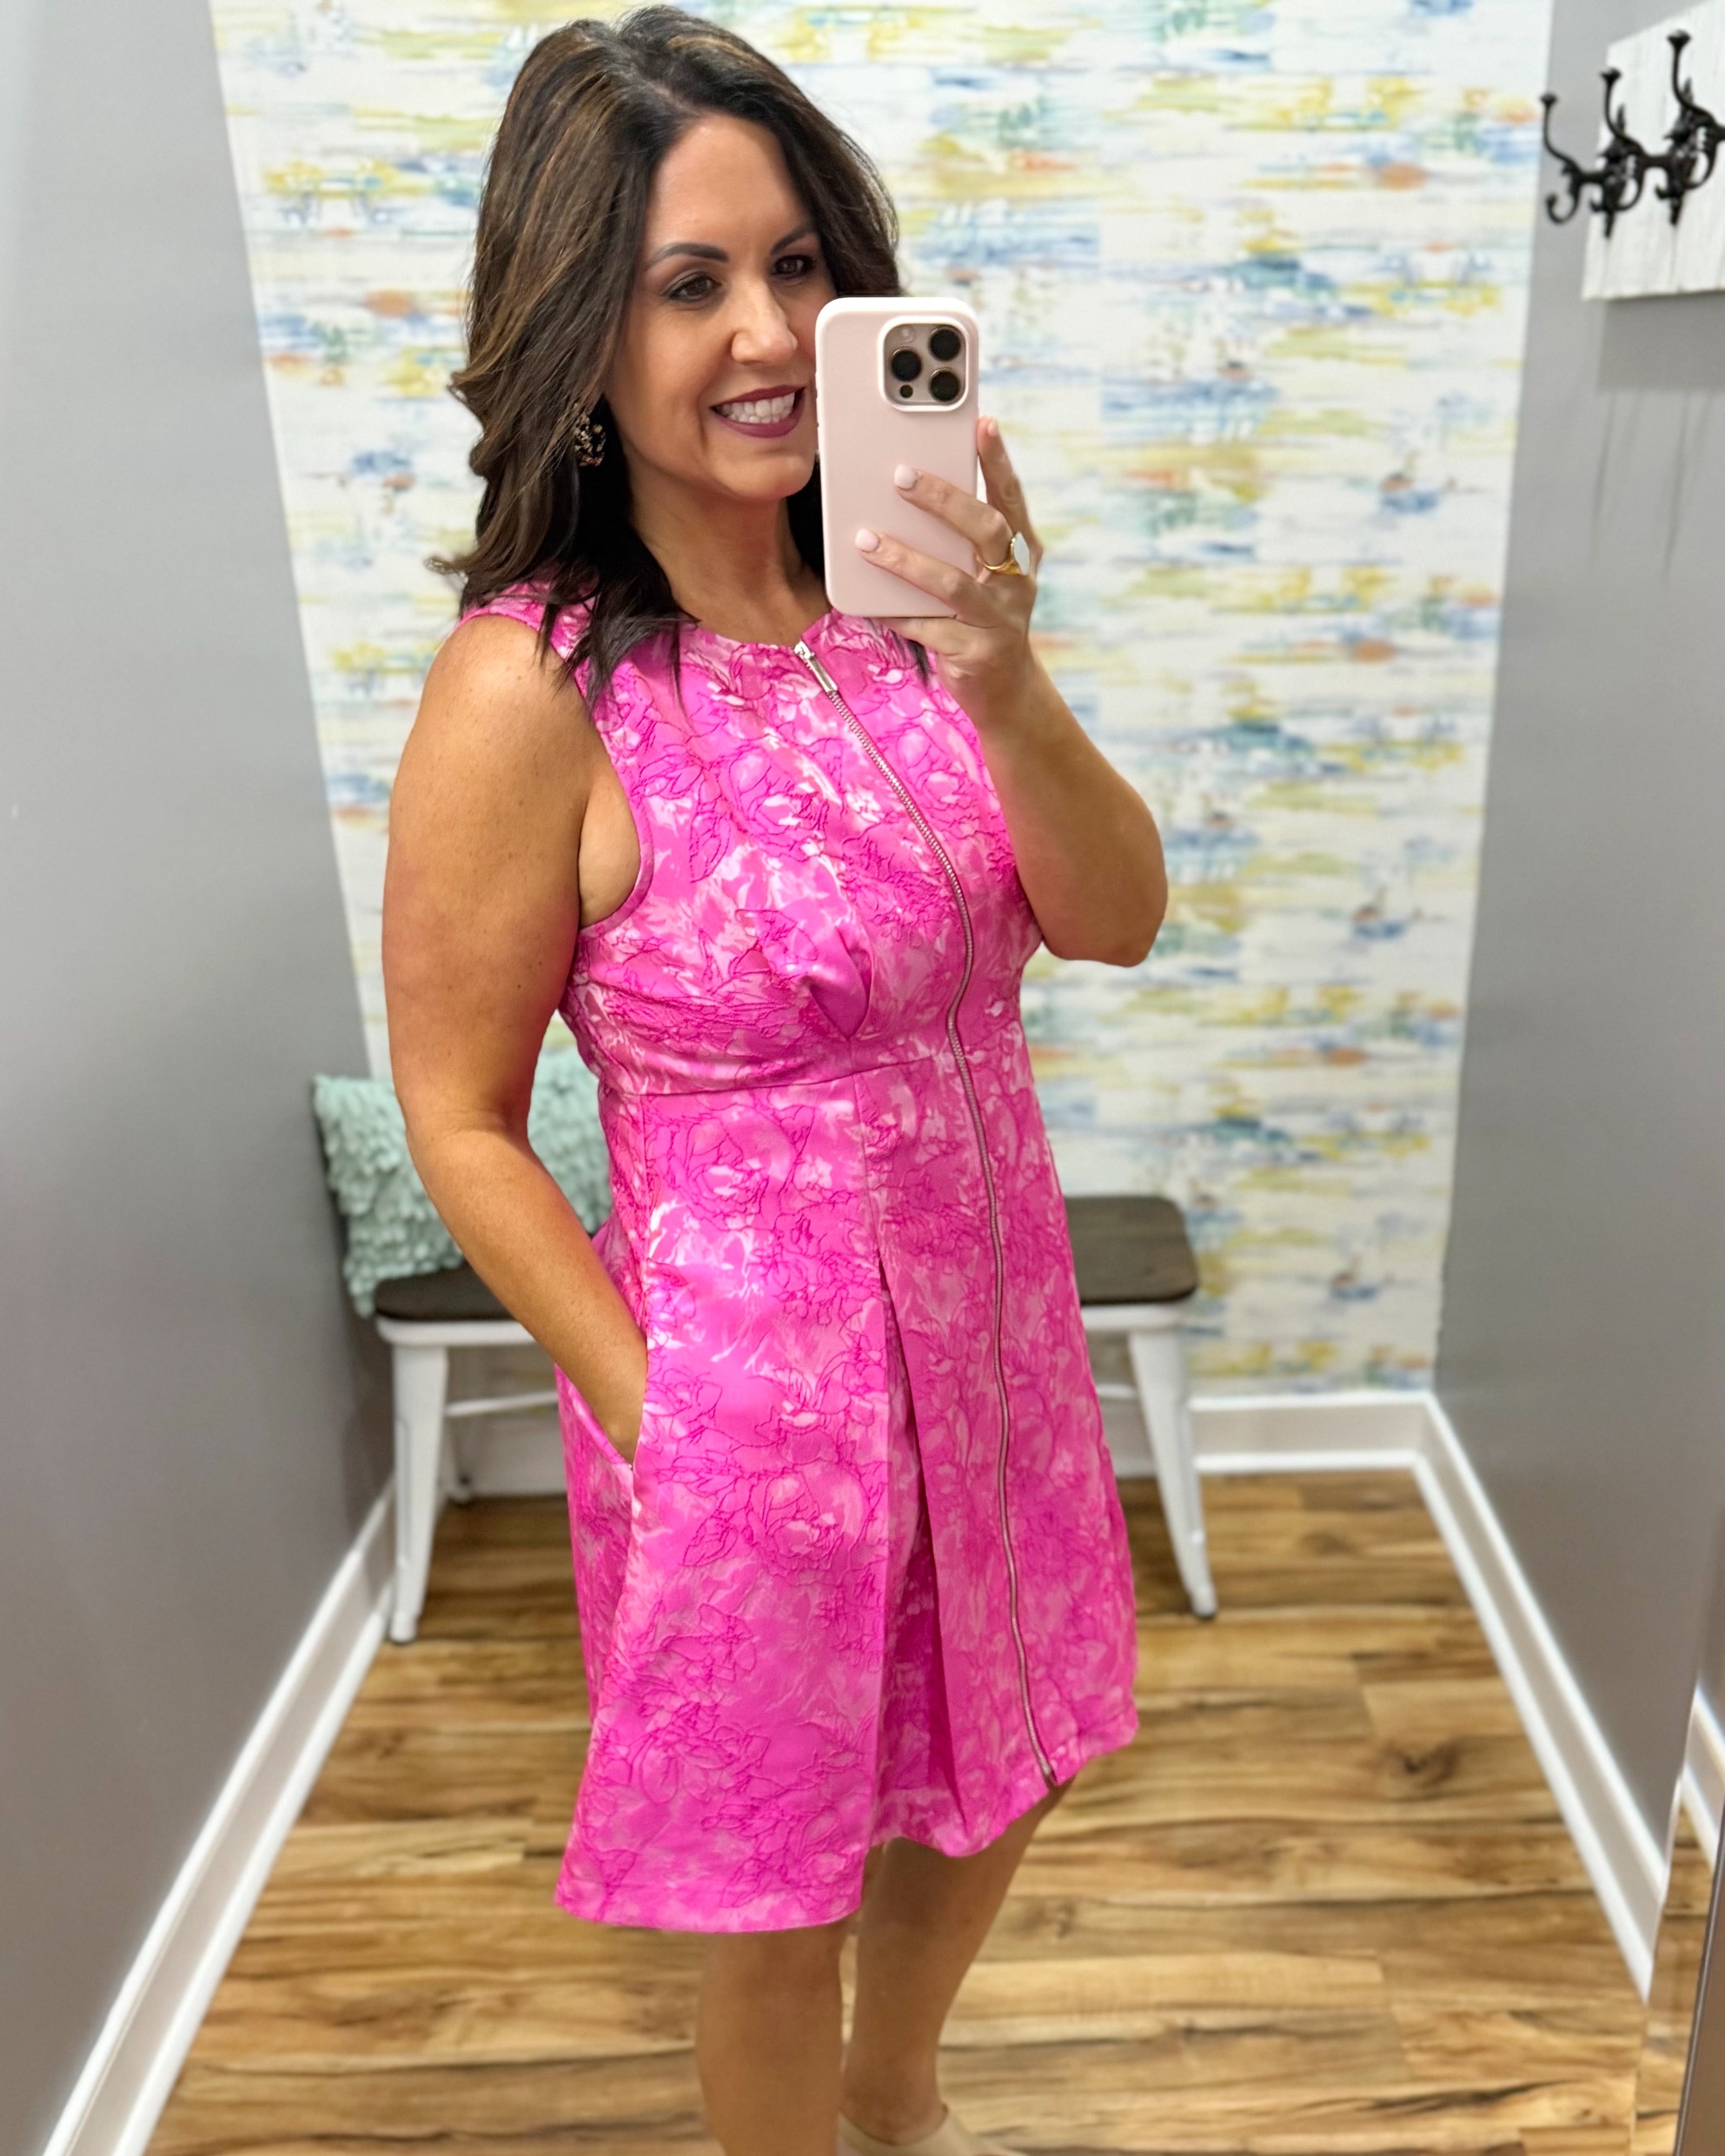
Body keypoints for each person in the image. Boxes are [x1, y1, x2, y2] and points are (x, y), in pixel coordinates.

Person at [381, 11, 1167, 2154]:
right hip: (748, 1396)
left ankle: (897, 2097)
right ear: (580, 330)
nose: (765, 330)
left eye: (804, 266)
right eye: (690, 281)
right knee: (770, 1882)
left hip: (991, 1333)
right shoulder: (529, 687)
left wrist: (1005, 671)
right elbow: (455, 1108)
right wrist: (658, 1408)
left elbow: (1107, 918)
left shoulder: (907, 602)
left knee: (1005, 1754)